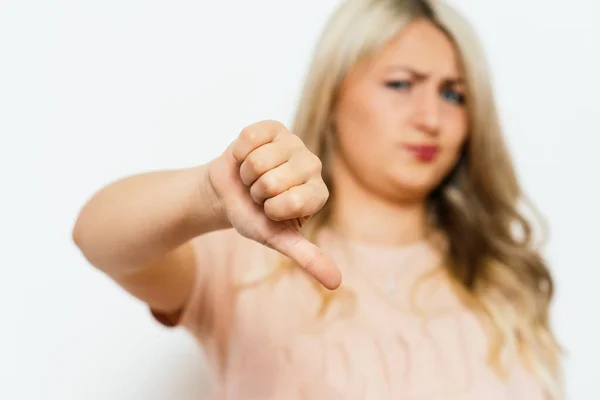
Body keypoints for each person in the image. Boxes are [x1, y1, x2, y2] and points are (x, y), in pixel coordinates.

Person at [72, 0, 563, 398]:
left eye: (454, 95)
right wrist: (205, 194)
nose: (431, 117)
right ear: (332, 96)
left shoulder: (500, 277)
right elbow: (97, 237)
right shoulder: (249, 256)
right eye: (401, 84)